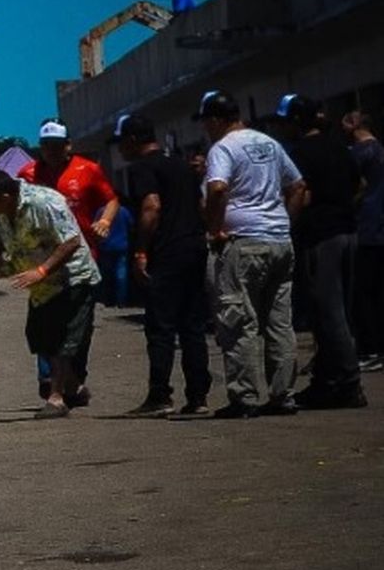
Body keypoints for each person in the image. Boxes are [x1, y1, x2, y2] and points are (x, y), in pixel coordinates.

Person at [197, 90, 307, 418]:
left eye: (206, 122)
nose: (205, 129)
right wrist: (284, 223)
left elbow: (217, 188)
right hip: (279, 240)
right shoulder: (270, 143)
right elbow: (298, 185)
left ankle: (244, 397)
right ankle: (283, 395)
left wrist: (215, 230)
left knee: (238, 320)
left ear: (216, 119)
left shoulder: (223, 148)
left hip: (243, 242)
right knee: (279, 320)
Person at [0, 168, 102, 419]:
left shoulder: (44, 202)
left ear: (4, 196)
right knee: (39, 337)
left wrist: (42, 270)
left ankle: (56, 398)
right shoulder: (2, 213)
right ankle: (74, 387)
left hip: (72, 279)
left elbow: (71, 241)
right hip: (41, 289)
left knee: (63, 340)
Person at [113, 113, 212, 418]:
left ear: (132, 140)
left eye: (121, 142)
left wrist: (141, 250)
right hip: (194, 247)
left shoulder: (143, 168)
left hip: (166, 253)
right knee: (193, 325)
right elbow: (200, 204)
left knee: (161, 327)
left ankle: (160, 395)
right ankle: (198, 397)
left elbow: (151, 206)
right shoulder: (180, 164)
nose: (120, 150)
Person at [19, 119, 119, 402]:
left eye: (56, 145)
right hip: (44, 263)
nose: (50, 151)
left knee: (79, 327)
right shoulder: (28, 174)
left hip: (82, 260)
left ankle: (74, 378)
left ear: (68, 145)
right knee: (44, 323)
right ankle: (49, 378)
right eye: (45, 146)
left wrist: (106, 220)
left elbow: (111, 199)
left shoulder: (88, 170)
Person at [277, 95, 366, 409]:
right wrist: (340, 203)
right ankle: (326, 381)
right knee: (339, 309)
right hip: (348, 231)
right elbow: (360, 184)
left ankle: (348, 384)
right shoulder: (339, 147)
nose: (283, 127)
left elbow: (298, 191)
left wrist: (288, 225)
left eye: (286, 121)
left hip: (321, 237)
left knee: (328, 312)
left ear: (297, 121)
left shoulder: (299, 153)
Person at [344, 111, 384, 372]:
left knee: (363, 293)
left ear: (356, 125)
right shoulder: (380, 149)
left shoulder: (358, 154)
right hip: (379, 225)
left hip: (366, 228)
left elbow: (356, 186)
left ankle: (370, 348)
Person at [98, 197, 132, 307]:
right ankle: (121, 301)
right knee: (121, 275)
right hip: (122, 245)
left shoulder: (101, 211)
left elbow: (96, 226)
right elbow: (131, 225)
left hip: (106, 245)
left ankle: (106, 299)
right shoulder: (125, 211)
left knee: (106, 274)